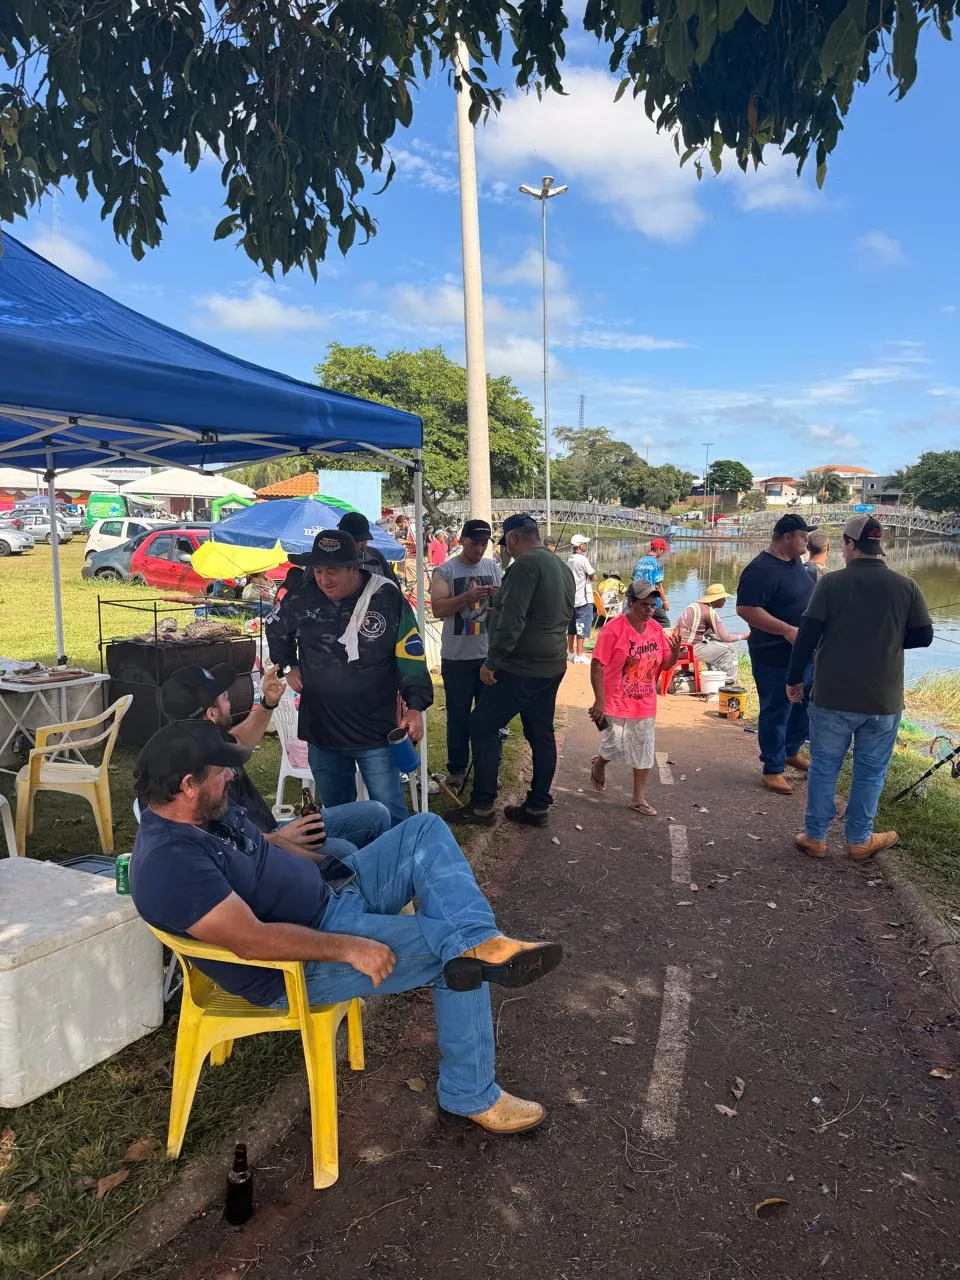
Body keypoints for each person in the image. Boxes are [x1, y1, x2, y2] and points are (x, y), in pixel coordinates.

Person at [130, 720, 563, 1134]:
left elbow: (256, 850)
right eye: (220, 770)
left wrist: (317, 859)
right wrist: (349, 947)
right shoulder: (170, 865)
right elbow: (253, 941)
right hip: (301, 962)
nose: (230, 775)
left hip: (332, 892)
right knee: (456, 956)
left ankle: (479, 939)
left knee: (424, 831)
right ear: (188, 785)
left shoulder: (203, 812)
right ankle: (471, 1094)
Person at [788, 516, 933, 861]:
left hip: (832, 696)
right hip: (883, 699)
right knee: (870, 771)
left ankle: (816, 838)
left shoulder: (831, 583)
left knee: (824, 766)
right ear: (878, 545)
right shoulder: (906, 586)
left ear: (850, 544)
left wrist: (794, 679)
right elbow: (924, 636)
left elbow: (807, 634)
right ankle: (858, 840)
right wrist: (889, 638)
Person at [268, 530, 434, 826]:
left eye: (332, 571)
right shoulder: (302, 598)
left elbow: (410, 652)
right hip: (322, 730)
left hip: (375, 730)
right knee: (338, 817)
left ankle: (396, 856)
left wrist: (414, 706)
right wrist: (289, 666)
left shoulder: (385, 596)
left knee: (389, 812)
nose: (324, 579)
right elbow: (275, 627)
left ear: (354, 568)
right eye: (318, 571)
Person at [159, 664, 391, 858]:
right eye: (225, 697)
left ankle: (376, 882)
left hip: (274, 830)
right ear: (211, 714)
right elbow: (222, 840)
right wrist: (279, 839)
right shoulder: (197, 777)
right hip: (262, 850)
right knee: (345, 853)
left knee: (376, 813)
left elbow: (241, 741)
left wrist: (268, 703)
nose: (230, 697)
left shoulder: (205, 738)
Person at [448, 514, 575, 829]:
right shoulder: (561, 566)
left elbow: (513, 620)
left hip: (523, 666)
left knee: (482, 724)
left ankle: (482, 806)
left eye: (507, 545)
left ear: (515, 538)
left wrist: (492, 661)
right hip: (553, 663)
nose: (508, 551)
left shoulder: (524, 566)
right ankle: (537, 806)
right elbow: (553, 614)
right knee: (541, 732)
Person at [735, 513, 814, 794]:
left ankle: (790, 751)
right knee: (777, 709)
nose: (807, 541)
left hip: (803, 653)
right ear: (787, 537)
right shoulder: (760, 570)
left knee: (804, 705)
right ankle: (772, 769)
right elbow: (746, 609)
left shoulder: (795, 563)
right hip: (773, 654)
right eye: (803, 536)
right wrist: (786, 630)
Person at [589, 581, 682, 815]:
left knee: (644, 751)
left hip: (645, 703)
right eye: (644, 605)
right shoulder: (613, 630)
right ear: (631, 603)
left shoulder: (656, 629)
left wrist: (675, 652)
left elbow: (665, 664)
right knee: (614, 746)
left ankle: (638, 798)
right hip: (615, 701)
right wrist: (599, 701)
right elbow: (597, 666)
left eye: (653, 605)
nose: (649, 610)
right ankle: (599, 764)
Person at [430, 519, 502, 789]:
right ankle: (457, 769)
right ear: (462, 541)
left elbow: (503, 608)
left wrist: (498, 597)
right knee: (458, 716)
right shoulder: (445, 570)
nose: (480, 549)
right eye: (475, 544)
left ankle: (488, 769)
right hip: (457, 658)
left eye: (484, 544)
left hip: (487, 656)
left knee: (489, 717)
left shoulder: (492, 568)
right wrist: (467, 597)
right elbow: (438, 609)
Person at [673, 583, 748, 685]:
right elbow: (725, 637)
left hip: (677, 647)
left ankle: (713, 676)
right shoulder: (709, 612)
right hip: (688, 649)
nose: (725, 601)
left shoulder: (693, 606)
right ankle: (729, 683)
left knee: (714, 643)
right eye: (723, 598)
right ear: (716, 600)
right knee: (729, 649)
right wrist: (743, 636)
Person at [338, 511, 398, 583]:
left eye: (364, 540)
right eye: (356, 541)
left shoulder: (376, 556)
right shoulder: (330, 561)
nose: (361, 545)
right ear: (342, 540)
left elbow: (394, 585)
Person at [566, 534, 596, 665]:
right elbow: (593, 576)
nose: (585, 546)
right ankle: (579, 655)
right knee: (582, 626)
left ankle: (570, 652)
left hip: (572, 598)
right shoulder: (583, 559)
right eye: (584, 544)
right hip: (584, 599)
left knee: (571, 627)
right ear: (579, 546)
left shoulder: (570, 559)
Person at [632, 538, 671, 626]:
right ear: (658, 549)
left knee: (644, 622)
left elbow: (634, 580)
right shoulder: (657, 564)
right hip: (652, 600)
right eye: (663, 550)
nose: (663, 552)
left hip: (638, 599)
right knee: (665, 623)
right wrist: (665, 602)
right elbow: (658, 586)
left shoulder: (640, 561)